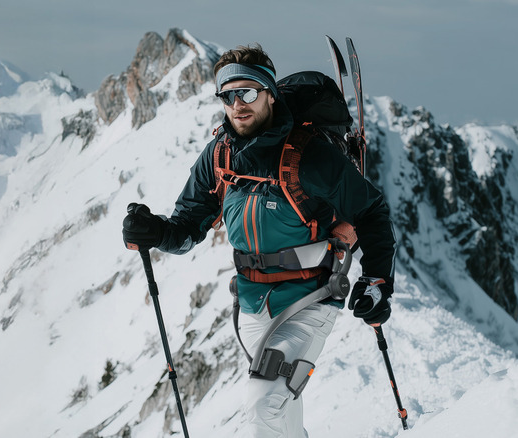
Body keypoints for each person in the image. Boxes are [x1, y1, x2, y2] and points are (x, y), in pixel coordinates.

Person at [122, 43, 396, 437]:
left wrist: (377, 282)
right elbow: (186, 227)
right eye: (229, 95)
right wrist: (155, 232)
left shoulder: (310, 156)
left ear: (270, 93)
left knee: (262, 406)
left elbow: (371, 211)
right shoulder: (219, 155)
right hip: (251, 307)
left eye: (248, 92)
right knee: (280, 412)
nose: (238, 103)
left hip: (311, 297)